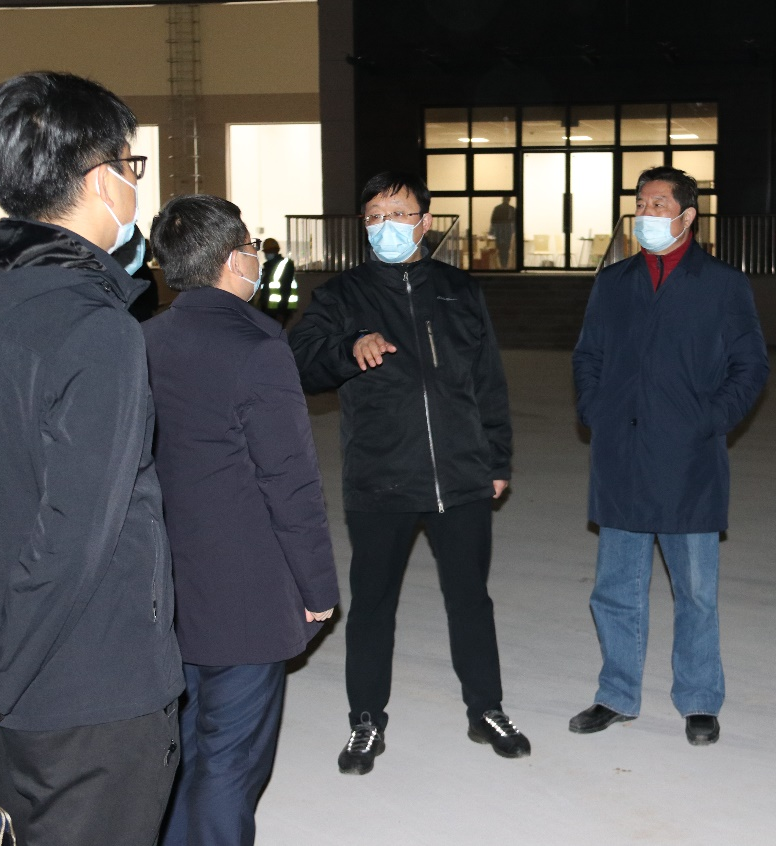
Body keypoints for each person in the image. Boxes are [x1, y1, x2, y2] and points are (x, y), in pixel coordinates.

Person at [0, 72, 183, 846]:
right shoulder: (96, 328)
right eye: (129, 164)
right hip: (89, 699)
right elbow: (75, 532)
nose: (131, 184)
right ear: (99, 179)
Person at [288, 171, 529, 774]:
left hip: (460, 475)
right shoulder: (341, 296)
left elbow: (488, 381)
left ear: (425, 222)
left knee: (470, 599)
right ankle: (366, 720)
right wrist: (347, 348)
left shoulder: (458, 289)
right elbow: (301, 361)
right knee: (372, 605)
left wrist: (497, 458)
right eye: (374, 216)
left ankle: (487, 709)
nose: (385, 226)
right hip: (381, 477)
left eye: (398, 214)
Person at [143, 196, 340, 845]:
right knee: (228, 764)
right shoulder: (257, 348)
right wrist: (317, 588)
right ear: (233, 259)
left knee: (179, 754)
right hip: (245, 593)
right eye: (252, 247)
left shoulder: (145, 340)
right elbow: (290, 482)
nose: (256, 257)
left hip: (165, 585)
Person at [569, 166, 769, 746]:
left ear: (688, 216)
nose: (646, 214)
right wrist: (596, 408)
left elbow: (751, 365)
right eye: (640, 204)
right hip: (622, 456)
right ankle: (616, 694)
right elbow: (588, 355)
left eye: (658, 204)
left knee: (696, 592)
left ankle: (699, 699)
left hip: (689, 462)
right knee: (615, 589)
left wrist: (710, 420)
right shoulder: (615, 282)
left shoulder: (722, 284)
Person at [255, 237, 298, 324]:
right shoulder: (268, 267)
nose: (267, 254)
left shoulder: (285, 265)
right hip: (268, 309)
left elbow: (285, 289)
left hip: (278, 310)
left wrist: (281, 312)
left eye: (269, 251)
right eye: (267, 252)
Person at [489, 196, 516, 269]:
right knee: (504, 249)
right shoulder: (511, 209)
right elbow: (493, 222)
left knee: (501, 249)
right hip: (505, 231)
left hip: (501, 231)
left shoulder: (498, 208)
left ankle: (503, 265)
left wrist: (491, 233)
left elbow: (493, 222)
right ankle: (504, 265)